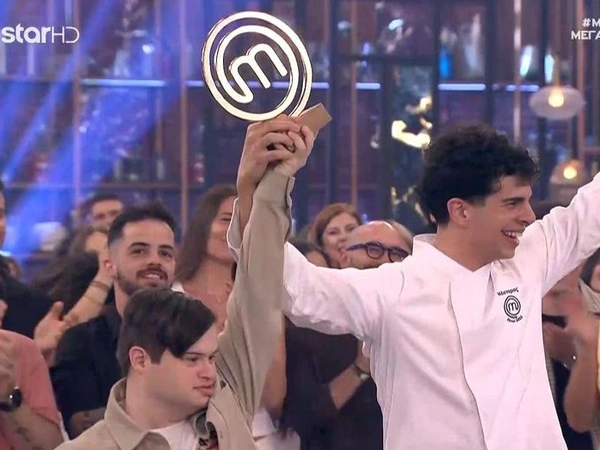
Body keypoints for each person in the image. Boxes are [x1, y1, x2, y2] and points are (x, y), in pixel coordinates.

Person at [229, 124, 600, 450]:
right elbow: (288, 283)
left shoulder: (527, 259)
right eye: (513, 203)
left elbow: (592, 210)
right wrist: (257, 188)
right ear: (461, 210)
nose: (529, 216)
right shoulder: (393, 290)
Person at [55, 116, 314, 450]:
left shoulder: (227, 401)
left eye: (211, 358)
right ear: (140, 360)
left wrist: (273, 181)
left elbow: (260, 286)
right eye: (193, 360)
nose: (210, 372)